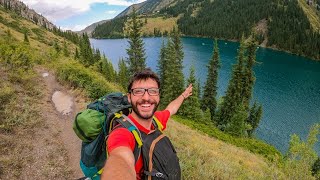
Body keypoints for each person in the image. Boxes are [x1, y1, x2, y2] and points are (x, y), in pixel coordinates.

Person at [101, 68, 192, 180]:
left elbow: (171, 109)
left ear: (158, 96)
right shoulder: (121, 133)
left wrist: (183, 95)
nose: (146, 98)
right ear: (129, 97)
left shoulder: (156, 120)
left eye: (153, 91)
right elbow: (120, 159)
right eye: (138, 91)